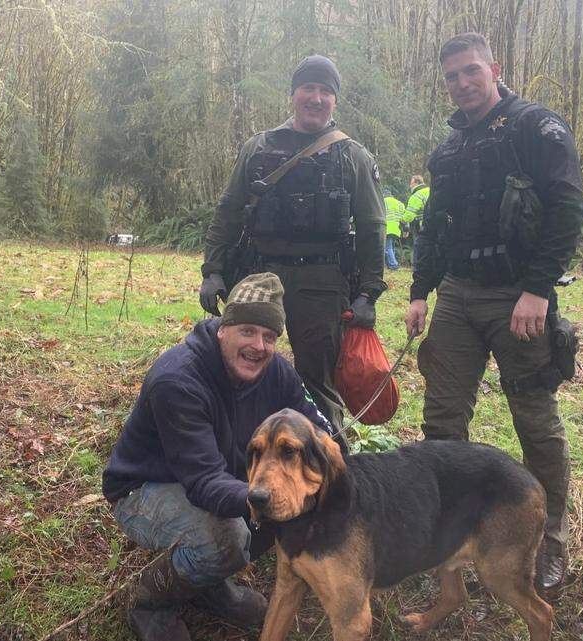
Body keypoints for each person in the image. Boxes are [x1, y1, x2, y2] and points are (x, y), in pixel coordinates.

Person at [403, 32, 583, 592]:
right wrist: (420, 291)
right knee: (442, 421)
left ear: (494, 68)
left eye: (470, 72)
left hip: (519, 296)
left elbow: (569, 209)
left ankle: (547, 540)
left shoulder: (536, 127)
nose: (462, 84)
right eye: (452, 77)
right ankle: (450, 538)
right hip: (457, 296)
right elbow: (434, 227)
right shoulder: (449, 149)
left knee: (534, 421)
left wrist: (537, 289)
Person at [103, 273, 343, 641]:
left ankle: (207, 583)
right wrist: (268, 498)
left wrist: (332, 458)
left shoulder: (275, 370)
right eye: (247, 331)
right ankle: (149, 601)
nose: (258, 346)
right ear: (222, 329)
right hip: (145, 490)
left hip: (217, 480)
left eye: (269, 337)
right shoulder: (179, 381)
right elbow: (203, 482)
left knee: (269, 506)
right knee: (229, 536)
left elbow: (314, 424)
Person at [198, 54, 387, 439]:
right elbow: (228, 212)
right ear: (294, 94)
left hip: (323, 282)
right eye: (309, 88)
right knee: (243, 368)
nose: (316, 98)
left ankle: (331, 468)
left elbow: (373, 227)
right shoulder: (257, 148)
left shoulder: (352, 155)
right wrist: (213, 270)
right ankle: (240, 455)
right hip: (259, 275)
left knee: (317, 383)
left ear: (335, 100)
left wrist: (369, 292)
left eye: (325, 91)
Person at [406, 175, 430, 265]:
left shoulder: (417, 194)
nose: (410, 185)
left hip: (422, 224)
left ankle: (417, 267)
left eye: (411, 183)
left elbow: (409, 215)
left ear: (416, 183)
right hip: (436, 224)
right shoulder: (430, 190)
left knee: (418, 246)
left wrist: (403, 222)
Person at [383, 187, 406, 269]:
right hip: (397, 228)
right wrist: (405, 229)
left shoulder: (383, 201)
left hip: (387, 227)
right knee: (391, 246)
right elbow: (404, 216)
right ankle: (390, 264)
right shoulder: (399, 203)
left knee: (387, 247)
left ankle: (394, 264)